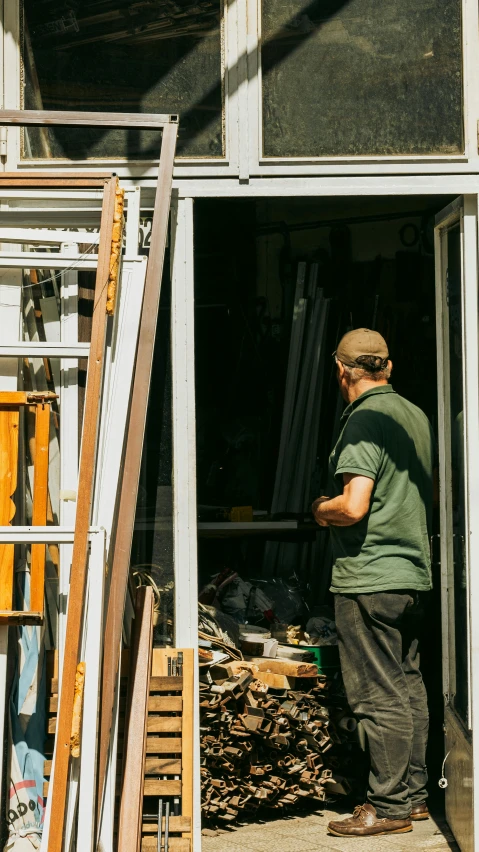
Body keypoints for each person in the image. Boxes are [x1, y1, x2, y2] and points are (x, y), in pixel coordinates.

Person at [312, 328, 434, 838]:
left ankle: (386, 807)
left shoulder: (364, 419)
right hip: (411, 576)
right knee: (407, 686)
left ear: (342, 372)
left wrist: (321, 511)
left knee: (376, 695)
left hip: (369, 577)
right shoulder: (416, 415)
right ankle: (415, 796)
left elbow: (354, 504)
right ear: (388, 366)